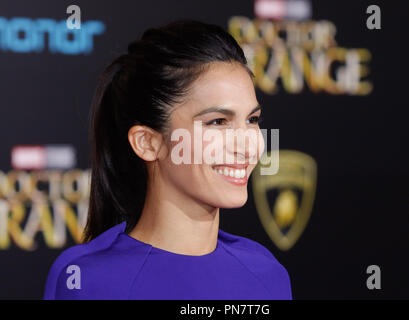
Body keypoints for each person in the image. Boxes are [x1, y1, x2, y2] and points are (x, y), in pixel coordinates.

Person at [43, 19, 292, 300]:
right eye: (218, 122)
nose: (248, 145)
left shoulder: (265, 273)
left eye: (252, 120)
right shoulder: (87, 280)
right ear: (148, 143)